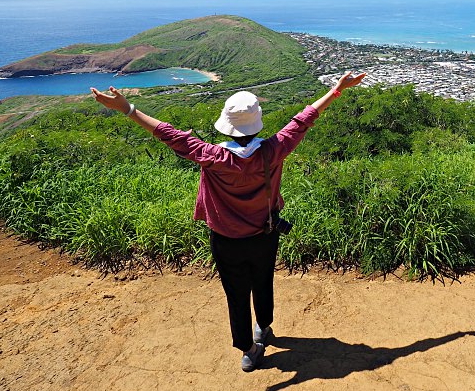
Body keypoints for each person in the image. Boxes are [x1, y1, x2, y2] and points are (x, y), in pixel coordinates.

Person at [90, 71, 365, 372]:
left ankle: (249, 350)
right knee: (263, 280)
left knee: (236, 293)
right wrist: (337, 89)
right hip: (265, 232)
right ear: (256, 123)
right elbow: (303, 119)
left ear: (227, 126)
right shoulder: (274, 150)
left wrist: (127, 108)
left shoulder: (212, 156)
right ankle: (263, 326)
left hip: (225, 239)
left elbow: (168, 133)